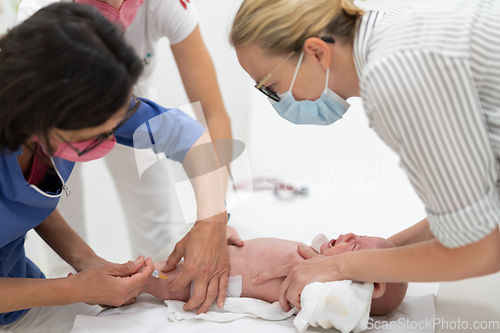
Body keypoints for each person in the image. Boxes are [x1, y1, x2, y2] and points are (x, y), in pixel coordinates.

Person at [227, 0, 500, 311]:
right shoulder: (391, 32)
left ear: (316, 52)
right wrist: (364, 256)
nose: (276, 102)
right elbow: (478, 208)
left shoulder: (394, 77)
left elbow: (480, 250)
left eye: (272, 87)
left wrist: (338, 268)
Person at [0, 3, 228, 332]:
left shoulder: (84, 96)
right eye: (97, 134)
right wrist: (74, 288)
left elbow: (188, 136)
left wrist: (213, 220)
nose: (111, 138)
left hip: (20, 304)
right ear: (43, 114)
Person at [143, 226, 408, 316]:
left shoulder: (323, 290)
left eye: (354, 246)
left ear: (370, 287)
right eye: (358, 234)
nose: (348, 234)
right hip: (227, 248)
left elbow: (337, 310)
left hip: (206, 281)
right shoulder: (316, 259)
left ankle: (137, 280)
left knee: (157, 276)